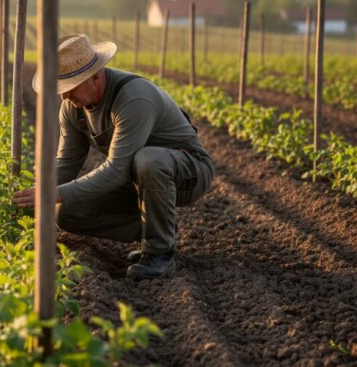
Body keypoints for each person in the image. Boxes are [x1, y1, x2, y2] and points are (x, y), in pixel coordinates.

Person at [12, 34, 214, 280]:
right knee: (64, 212)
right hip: (136, 177)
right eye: (60, 89)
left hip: (188, 171)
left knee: (148, 159)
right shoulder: (73, 108)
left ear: (95, 76)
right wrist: (39, 195)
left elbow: (116, 169)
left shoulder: (133, 98)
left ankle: (159, 251)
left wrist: (56, 192)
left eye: (70, 87)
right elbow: (66, 162)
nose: (64, 96)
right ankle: (157, 227)